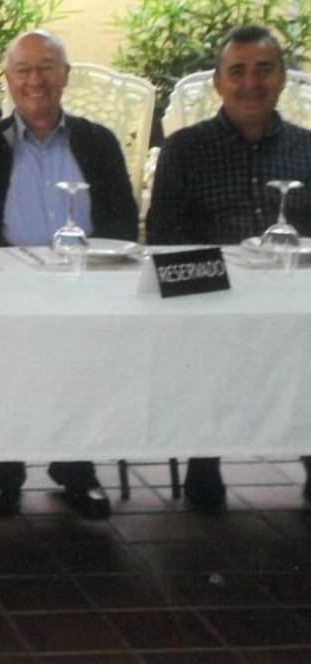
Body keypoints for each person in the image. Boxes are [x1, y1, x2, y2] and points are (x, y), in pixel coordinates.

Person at [0, 30, 138, 519]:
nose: (35, 80)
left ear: (66, 76)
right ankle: (6, 467)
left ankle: (74, 465)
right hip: (10, 288)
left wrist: (86, 267)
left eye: (47, 67)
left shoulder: (97, 141)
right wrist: (20, 272)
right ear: (9, 81)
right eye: (23, 70)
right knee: (11, 350)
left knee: (84, 348)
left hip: (88, 284)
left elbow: (122, 219)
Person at [147, 24, 311, 513]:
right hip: (213, 291)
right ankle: (203, 452)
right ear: (218, 83)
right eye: (236, 72)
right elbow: (163, 237)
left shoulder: (308, 149)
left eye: (263, 70)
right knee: (205, 333)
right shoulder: (185, 148)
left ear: (283, 78)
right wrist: (222, 279)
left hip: (297, 292)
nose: (250, 84)